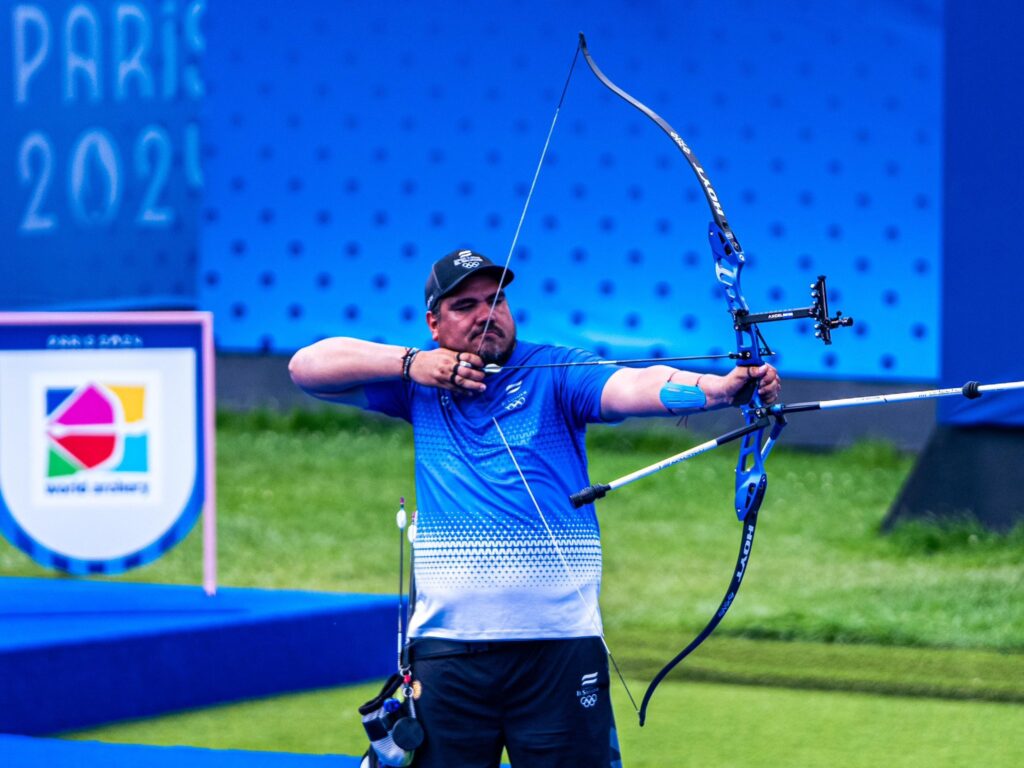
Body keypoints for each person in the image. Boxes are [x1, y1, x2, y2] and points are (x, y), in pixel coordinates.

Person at [289, 249, 780, 768]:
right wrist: (412, 363)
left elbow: (633, 385)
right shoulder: (417, 387)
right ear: (434, 323)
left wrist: (717, 389)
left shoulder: (556, 373)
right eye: (465, 306)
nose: (486, 314)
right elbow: (306, 367)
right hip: (447, 652)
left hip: (559, 650)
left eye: (496, 300)